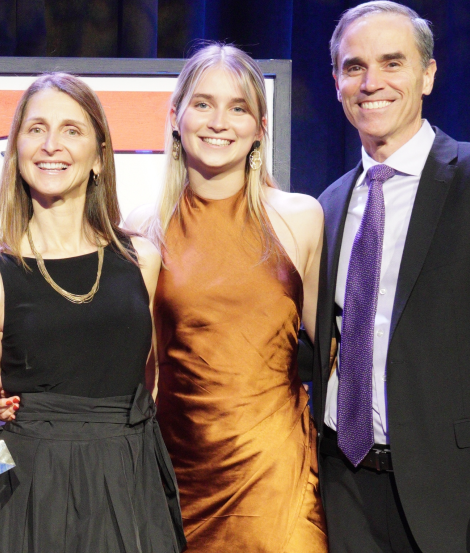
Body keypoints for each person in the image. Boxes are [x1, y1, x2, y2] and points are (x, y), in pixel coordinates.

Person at [312, 0, 470, 553]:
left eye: (392, 63)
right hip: (344, 492)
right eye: (355, 67)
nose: (371, 83)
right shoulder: (326, 207)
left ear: (427, 75)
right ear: (336, 83)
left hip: (465, 497)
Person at [0, 73, 186, 552]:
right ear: (16, 151)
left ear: (99, 156)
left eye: (71, 130)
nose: (51, 145)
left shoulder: (142, 260)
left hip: (128, 486)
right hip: (26, 499)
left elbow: (150, 382)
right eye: (36, 129)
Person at [126, 43, 327, 552]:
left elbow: (332, 353)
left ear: (261, 127)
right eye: (203, 104)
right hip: (176, 476)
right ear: (175, 116)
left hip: (276, 479)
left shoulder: (300, 217)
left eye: (238, 108)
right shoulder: (142, 229)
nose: (219, 122)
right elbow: (140, 369)